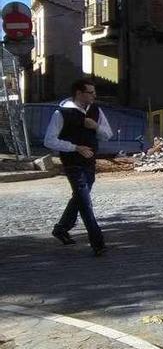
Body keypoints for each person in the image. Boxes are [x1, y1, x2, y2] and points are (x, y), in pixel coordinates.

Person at [45, 79, 113, 257]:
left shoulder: (96, 111)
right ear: (79, 93)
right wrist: (75, 147)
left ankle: (61, 228)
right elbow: (49, 140)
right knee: (85, 201)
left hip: (90, 163)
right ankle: (98, 242)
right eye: (90, 92)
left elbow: (108, 135)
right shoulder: (61, 113)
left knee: (79, 198)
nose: (94, 95)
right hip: (72, 163)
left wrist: (96, 127)